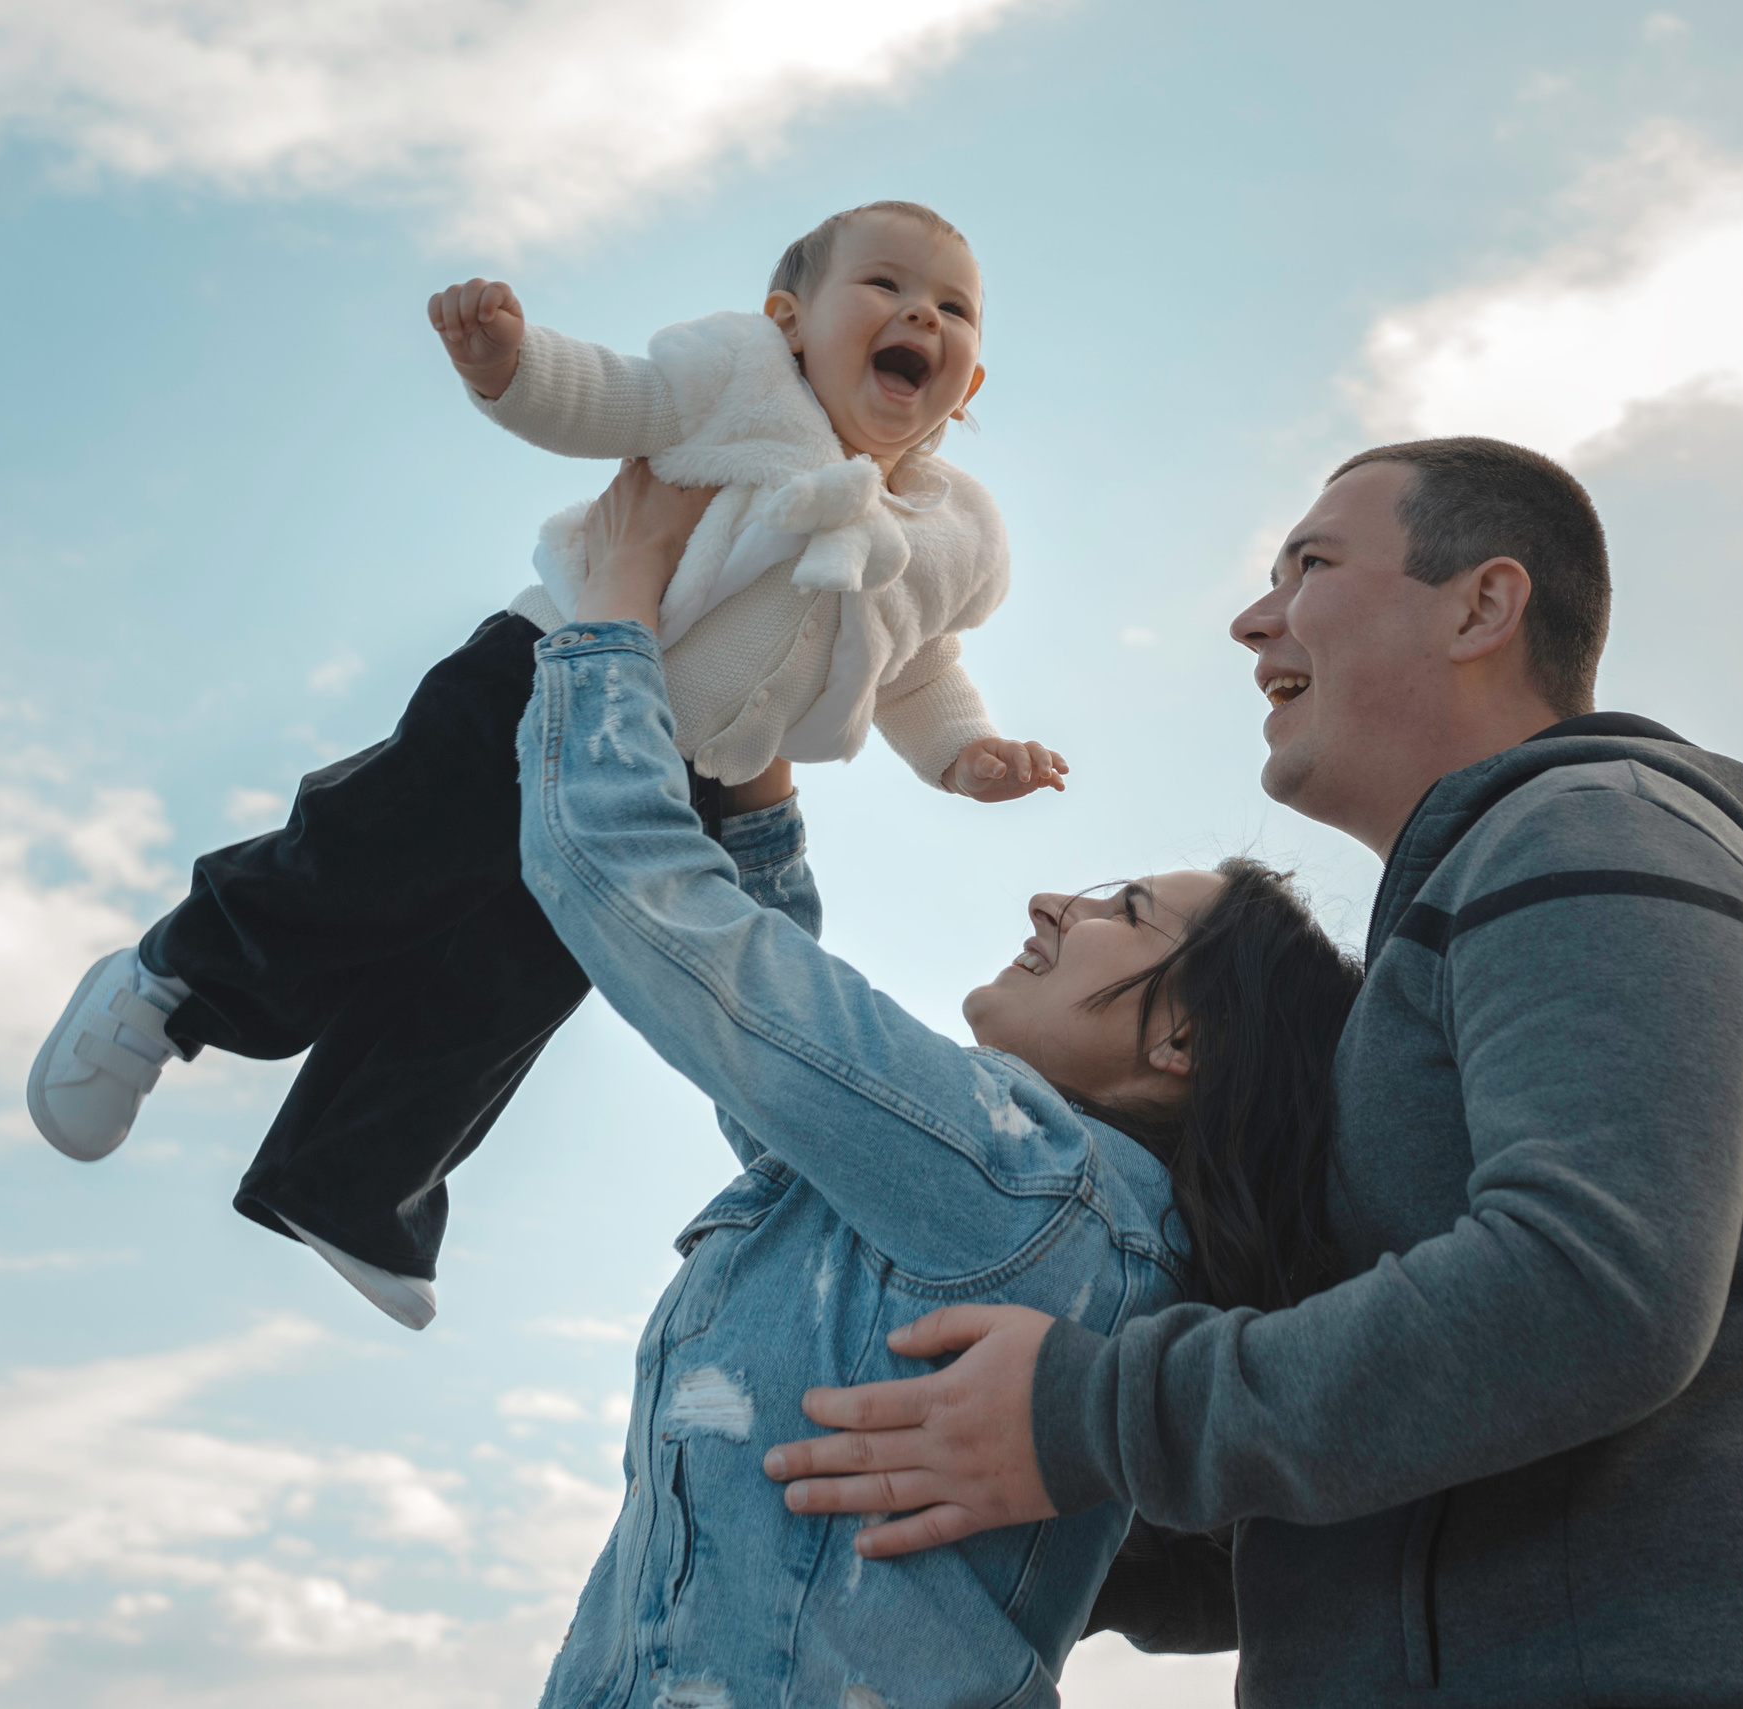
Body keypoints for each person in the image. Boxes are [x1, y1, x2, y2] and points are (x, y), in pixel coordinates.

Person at [762, 438, 1743, 1707]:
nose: (1255, 619)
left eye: (1309, 565)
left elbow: (1588, 1295)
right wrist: (1043, 1517)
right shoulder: (1479, 907)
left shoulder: (1593, 831)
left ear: (1481, 604)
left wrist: (1091, 1417)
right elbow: (1385, 1481)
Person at [23, 201, 1066, 1329]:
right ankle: (170, 980)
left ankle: (354, 1180)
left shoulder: (957, 533)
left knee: (514, 979)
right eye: (883, 285)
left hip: (676, 784)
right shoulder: (735, 379)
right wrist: (508, 364)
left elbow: (917, 666)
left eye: (952, 307)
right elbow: (611, 396)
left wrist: (966, 753)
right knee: (376, 863)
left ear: (966, 386)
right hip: (536, 676)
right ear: (789, 323)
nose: (921, 311)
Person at [508, 461, 1365, 1708]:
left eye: (1122, 909)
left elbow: (634, 890)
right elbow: (783, 1066)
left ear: (1185, 1043)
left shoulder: (1029, 1180)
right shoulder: (993, 1202)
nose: (1052, 899)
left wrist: (613, 613)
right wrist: (759, 782)